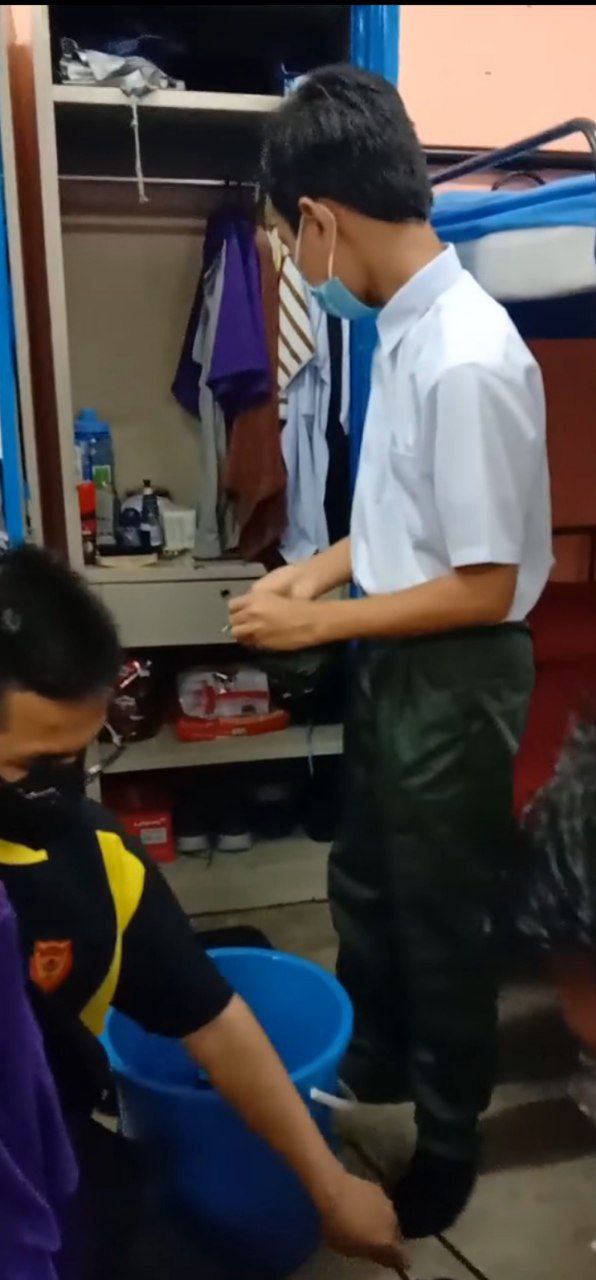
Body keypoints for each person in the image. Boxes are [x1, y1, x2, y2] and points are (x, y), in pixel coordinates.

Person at [230, 64, 552, 1237]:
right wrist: (315, 570)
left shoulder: (466, 354)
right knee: (366, 877)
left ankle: (446, 1144)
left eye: (289, 244)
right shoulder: (407, 332)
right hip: (399, 653)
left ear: (321, 217)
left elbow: (481, 583)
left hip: (454, 672)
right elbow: (407, 518)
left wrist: (317, 623)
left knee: (438, 911)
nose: (297, 269)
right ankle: (366, 1069)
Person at [0, 544, 404, 1278]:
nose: (63, 787)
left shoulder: (92, 862)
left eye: (81, 754)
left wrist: (330, 1185)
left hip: (56, 1153)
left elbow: (209, 1016)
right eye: (32, 767)